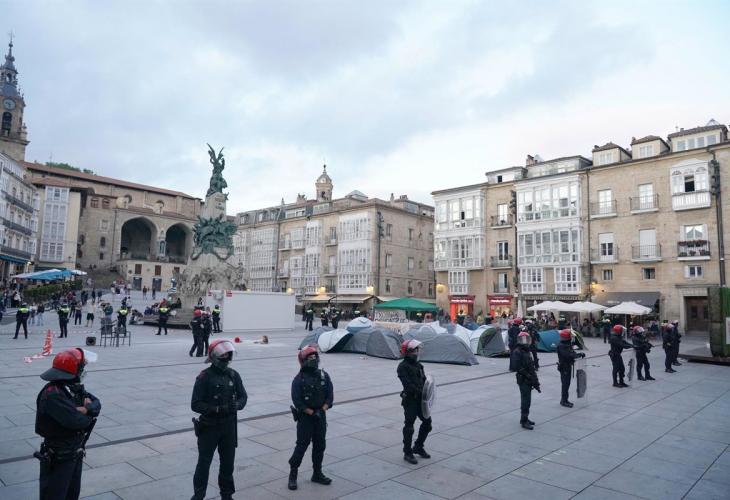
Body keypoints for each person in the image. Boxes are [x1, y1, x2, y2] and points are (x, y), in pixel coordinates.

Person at [35, 348, 101, 500]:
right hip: (59, 455)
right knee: (55, 495)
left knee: (72, 494)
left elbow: (97, 403)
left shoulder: (71, 387)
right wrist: (89, 414)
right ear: (74, 370)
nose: (83, 371)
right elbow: (78, 422)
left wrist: (86, 409)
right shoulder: (53, 393)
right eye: (82, 367)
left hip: (74, 452)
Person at [191, 339, 247, 500]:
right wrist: (216, 409)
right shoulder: (204, 377)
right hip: (209, 427)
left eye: (228, 355)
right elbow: (195, 404)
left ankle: (227, 495)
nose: (226, 359)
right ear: (214, 357)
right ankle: (198, 495)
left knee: (228, 464)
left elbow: (243, 396)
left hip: (228, 427)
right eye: (223, 355)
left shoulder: (233, 375)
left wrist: (238, 404)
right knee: (204, 464)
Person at [288, 345, 334, 490]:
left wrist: (322, 409)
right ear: (303, 360)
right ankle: (293, 474)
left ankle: (317, 473)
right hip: (306, 419)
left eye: (315, 357)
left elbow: (330, 396)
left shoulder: (324, 375)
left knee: (320, 445)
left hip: (320, 416)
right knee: (301, 446)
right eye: (310, 357)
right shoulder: (298, 380)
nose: (314, 359)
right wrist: (311, 412)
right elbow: (298, 402)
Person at [398, 339, 432, 464]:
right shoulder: (402, 367)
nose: (417, 352)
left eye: (418, 350)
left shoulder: (419, 365)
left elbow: (425, 382)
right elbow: (408, 385)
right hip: (410, 400)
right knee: (409, 427)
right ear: (409, 351)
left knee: (427, 424)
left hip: (421, 401)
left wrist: (428, 391)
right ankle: (407, 452)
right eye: (415, 350)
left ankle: (418, 447)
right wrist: (420, 391)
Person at [509, 332, 540, 429]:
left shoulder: (526, 351)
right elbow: (516, 367)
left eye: (527, 339)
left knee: (528, 400)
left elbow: (530, 366)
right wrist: (527, 375)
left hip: (529, 378)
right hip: (523, 379)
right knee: (525, 400)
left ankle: (525, 417)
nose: (525, 342)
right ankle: (524, 420)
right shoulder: (517, 351)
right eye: (523, 340)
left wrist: (535, 380)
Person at [557, 329, 584, 407]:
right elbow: (568, 355)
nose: (571, 337)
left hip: (568, 366)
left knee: (567, 384)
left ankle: (565, 400)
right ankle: (563, 401)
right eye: (570, 336)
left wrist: (579, 354)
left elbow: (572, 352)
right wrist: (577, 355)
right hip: (564, 367)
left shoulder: (567, 344)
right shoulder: (561, 346)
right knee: (565, 384)